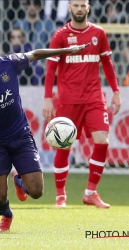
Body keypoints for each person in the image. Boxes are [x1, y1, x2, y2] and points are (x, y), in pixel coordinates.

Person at [0, 34, 89, 232]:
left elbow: (36, 54)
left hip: (21, 136)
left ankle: (18, 178)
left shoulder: (10, 64)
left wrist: (67, 51)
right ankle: (7, 216)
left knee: (36, 192)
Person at [42, 0, 122, 209]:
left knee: (103, 141)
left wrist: (116, 92)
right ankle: (60, 196)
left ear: (88, 8)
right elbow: (51, 69)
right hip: (69, 99)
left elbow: (108, 64)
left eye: (82, 5)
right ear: (70, 8)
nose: (79, 9)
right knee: (64, 145)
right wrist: (48, 97)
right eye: (75, 5)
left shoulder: (99, 33)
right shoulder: (60, 36)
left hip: (94, 97)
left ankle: (90, 193)